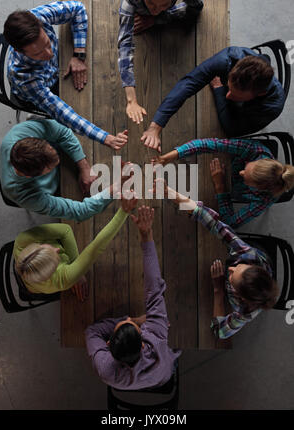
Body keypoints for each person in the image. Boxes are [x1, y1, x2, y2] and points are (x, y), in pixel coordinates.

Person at [4, 0, 127, 150]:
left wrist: (79, 54)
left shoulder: (37, 17)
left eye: (47, 43)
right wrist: (105, 137)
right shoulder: (24, 77)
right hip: (43, 88)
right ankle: (39, 114)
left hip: (57, 69)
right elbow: (62, 112)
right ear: (19, 51)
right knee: (85, 107)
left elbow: (78, 9)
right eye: (38, 53)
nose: (49, 54)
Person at [161, 183, 279, 339]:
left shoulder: (245, 312)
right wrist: (172, 194)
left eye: (232, 278)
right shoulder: (248, 255)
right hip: (259, 253)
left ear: (240, 297)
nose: (229, 269)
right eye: (238, 267)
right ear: (250, 265)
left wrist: (218, 290)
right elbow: (214, 223)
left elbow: (219, 331)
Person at [85, 206, 181, 390]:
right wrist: (146, 235)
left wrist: (133, 321)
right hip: (164, 373)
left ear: (108, 344)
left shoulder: (106, 368)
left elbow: (92, 331)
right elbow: (154, 288)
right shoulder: (156, 338)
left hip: (157, 377)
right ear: (144, 346)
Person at [141, 46, 285, 151]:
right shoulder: (228, 58)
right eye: (228, 87)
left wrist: (219, 90)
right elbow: (188, 83)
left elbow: (232, 129)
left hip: (243, 118)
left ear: (259, 94)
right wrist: (155, 126)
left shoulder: (271, 108)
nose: (228, 96)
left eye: (236, 96)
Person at [118, 0, 203, 124]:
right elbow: (125, 43)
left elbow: (197, 7)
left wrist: (159, 18)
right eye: (150, 2)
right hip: (135, 11)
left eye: (163, 4)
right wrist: (131, 100)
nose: (154, 10)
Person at [0, 119, 128, 220]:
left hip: (69, 167)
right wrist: (117, 185)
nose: (57, 160)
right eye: (50, 167)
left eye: (50, 147)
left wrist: (84, 167)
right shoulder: (24, 195)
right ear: (31, 176)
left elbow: (63, 132)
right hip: (52, 192)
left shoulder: (18, 133)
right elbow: (80, 211)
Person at [13, 197, 138, 302]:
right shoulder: (63, 280)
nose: (56, 249)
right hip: (35, 289)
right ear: (52, 272)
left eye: (46, 247)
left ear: (35, 247)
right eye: (56, 259)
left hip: (33, 279)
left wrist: (77, 269)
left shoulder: (21, 242)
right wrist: (124, 211)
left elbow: (65, 230)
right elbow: (96, 248)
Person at [152, 137, 294, 227]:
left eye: (246, 178)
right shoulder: (255, 151)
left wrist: (221, 187)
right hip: (219, 165)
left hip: (217, 191)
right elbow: (207, 144)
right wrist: (167, 158)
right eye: (246, 167)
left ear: (258, 188)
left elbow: (229, 223)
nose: (241, 172)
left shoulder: (264, 199)